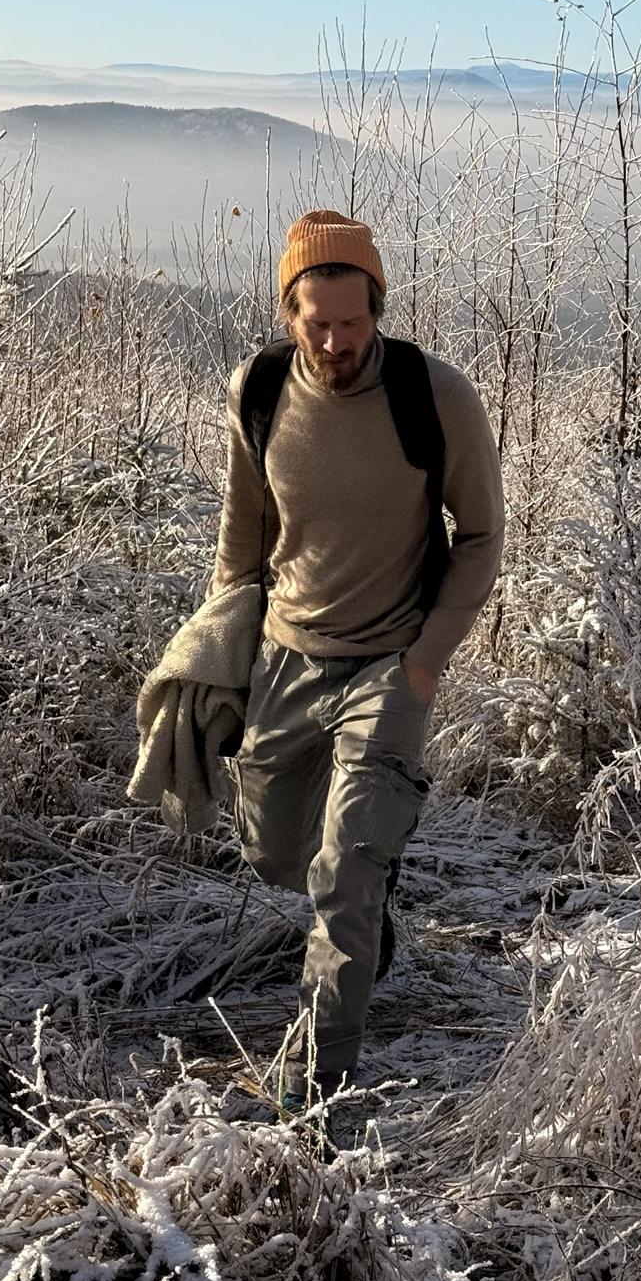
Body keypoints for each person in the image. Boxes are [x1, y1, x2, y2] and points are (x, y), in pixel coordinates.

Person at [213, 209, 505, 1098]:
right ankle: (374, 885)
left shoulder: (435, 395)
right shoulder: (257, 391)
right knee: (273, 853)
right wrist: (222, 646)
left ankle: (315, 1086)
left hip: (390, 664)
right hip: (287, 656)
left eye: (353, 320)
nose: (336, 340)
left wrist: (425, 662)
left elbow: (483, 536)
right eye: (317, 321)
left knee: (344, 875)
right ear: (286, 313)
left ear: (377, 308)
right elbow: (243, 534)